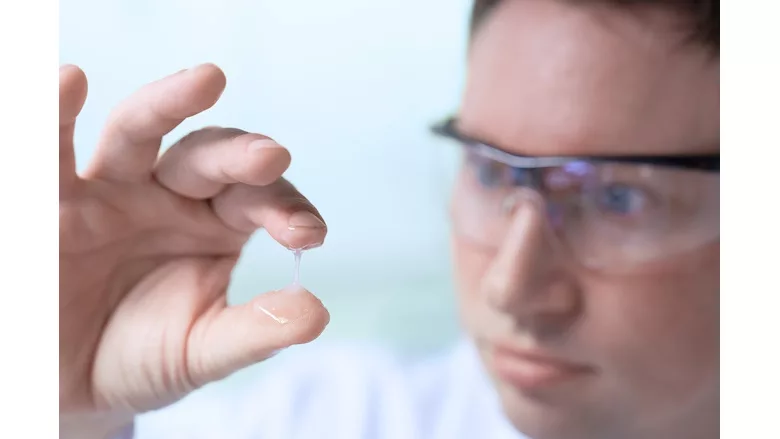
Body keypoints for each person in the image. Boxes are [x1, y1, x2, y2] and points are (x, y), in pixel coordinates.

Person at [59, 0, 720, 438]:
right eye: (489, 171)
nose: (510, 288)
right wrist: (72, 412)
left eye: (618, 198)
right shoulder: (343, 419)